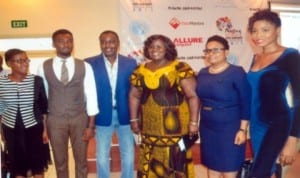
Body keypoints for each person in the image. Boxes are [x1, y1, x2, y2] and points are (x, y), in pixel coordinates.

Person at [129, 34, 200, 178]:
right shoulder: (140, 70)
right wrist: (134, 120)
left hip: (175, 128)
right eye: (151, 46)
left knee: (175, 160)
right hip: (149, 127)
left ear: (167, 49)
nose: (154, 49)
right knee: (149, 161)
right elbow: (134, 95)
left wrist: (193, 122)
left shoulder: (180, 68)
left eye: (159, 46)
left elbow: (193, 96)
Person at [37, 29, 99, 178]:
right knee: (60, 161)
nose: (66, 43)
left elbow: (91, 95)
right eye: (61, 40)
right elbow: (42, 98)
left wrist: (91, 126)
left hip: (79, 118)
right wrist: (44, 127)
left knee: (81, 160)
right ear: (54, 44)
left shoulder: (84, 66)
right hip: (55, 119)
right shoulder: (43, 66)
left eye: (69, 40)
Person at [247, 9, 300, 178]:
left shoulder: (290, 55)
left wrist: (293, 139)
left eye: (265, 30)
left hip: (277, 123)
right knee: (268, 170)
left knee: (259, 173)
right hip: (256, 124)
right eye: (254, 30)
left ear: (277, 30)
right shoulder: (255, 58)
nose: (258, 35)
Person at [196, 35, 251, 178]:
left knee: (229, 167)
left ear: (226, 52)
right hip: (207, 127)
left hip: (230, 129)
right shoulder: (202, 73)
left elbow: (246, 101)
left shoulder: (236, 72)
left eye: (215, 50)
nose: (210, 54)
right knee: (212, 165)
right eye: (207, 51)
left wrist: (242, 130)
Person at [85, 30, 137, 178]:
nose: (108, 45)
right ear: (100, 44)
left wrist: (136, 117)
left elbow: (135, 91)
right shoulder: (89, 63)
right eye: (104, 42)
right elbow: (87, 92)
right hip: (102, 115)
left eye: (111, 41)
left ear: (118, 44)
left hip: (125, 114)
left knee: (128, 152)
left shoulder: (130, 63)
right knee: (101, 154)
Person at [0, 48, 51, 178]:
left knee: (37, 164)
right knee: (17, 165)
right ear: (9, 63)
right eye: (19, 61)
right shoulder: (1, 83)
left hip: (34, 127)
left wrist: (45, 130)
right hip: (11, 129)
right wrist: (2, 131)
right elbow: (0, 109)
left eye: (26, 60)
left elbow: (43, 108)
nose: (25, 63)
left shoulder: (36, 81)